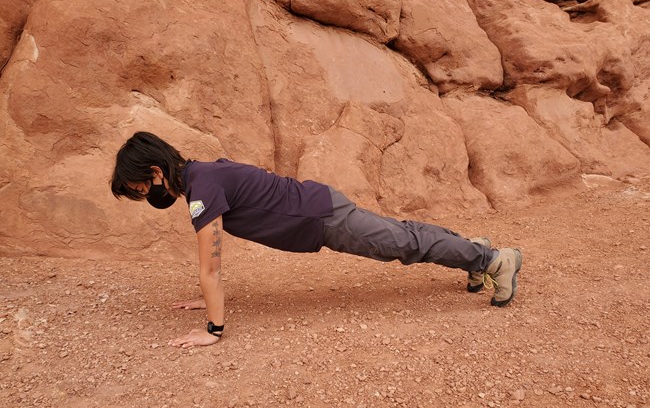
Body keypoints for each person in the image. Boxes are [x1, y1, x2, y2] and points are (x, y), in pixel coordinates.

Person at [111, 132, 523, 348]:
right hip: (320, 211)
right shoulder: (201, 176)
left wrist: (213, 329)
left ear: (155, 171)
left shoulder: (202, 187)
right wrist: (206, 294)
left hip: (324, 218)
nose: (145, 196)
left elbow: (211, 266)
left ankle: (490, 259)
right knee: (403, 236)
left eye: (140, 188)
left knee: (404, 243)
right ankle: (471, 250)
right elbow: (212, 266)